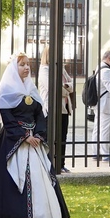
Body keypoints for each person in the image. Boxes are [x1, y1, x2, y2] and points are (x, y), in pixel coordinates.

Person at [0, 54, 69, 218]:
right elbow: (8, 119)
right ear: (14, 68)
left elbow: (39, 116)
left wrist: (37, 134)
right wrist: (23, 137)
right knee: (10, 182)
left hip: (33, 141)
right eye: (22, 65)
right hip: (13, 141)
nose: (27, 68)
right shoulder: (6, 90)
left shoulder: (32, 89)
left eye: (28, 65)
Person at [38, 44, 73, 173]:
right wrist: (66, 88)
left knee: (62, 136)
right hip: (51, 108)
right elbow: (52, 88)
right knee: (50, 137)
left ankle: (61, 163)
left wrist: (65, 87)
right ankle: (49, 163)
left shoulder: (61, 69)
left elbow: (71, 84)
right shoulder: (45, 70)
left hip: (63, 107)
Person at [95, 50, 110, 163]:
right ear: (109, 58)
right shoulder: (105, 71)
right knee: (105, 130)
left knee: (98, 129)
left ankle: (96, 152)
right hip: (106, 105)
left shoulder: (100, 68)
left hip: (103, 104)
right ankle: (105, 153)